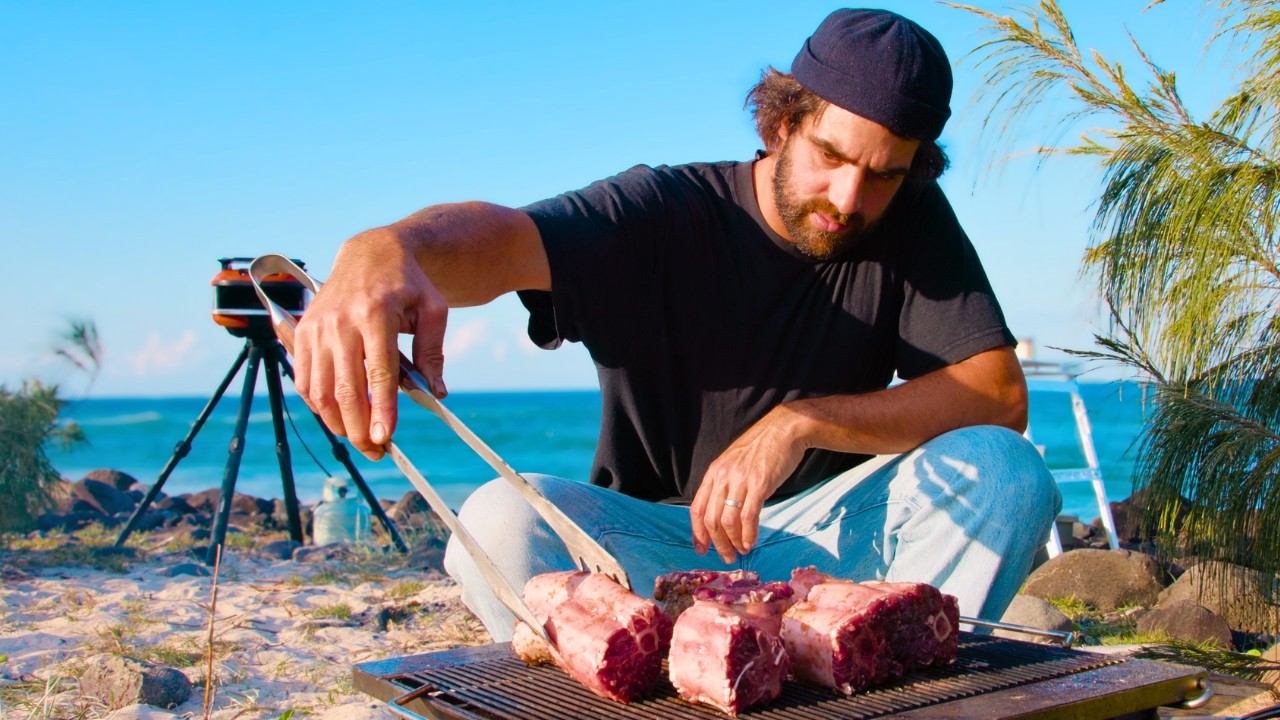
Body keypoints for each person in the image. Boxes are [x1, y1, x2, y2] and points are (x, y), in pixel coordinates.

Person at [292, 8, 1060, 641]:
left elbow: (997, 396)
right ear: (782, 123)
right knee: (497, 516)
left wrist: (800, 422)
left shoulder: (909, 219)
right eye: (830, 154)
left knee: (1006, 471)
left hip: (830, 550)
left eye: (884, 174)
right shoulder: (663, 212)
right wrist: (387, 250)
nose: (849, 197)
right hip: (651, 547)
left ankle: (875, 674)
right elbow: (504, 241)